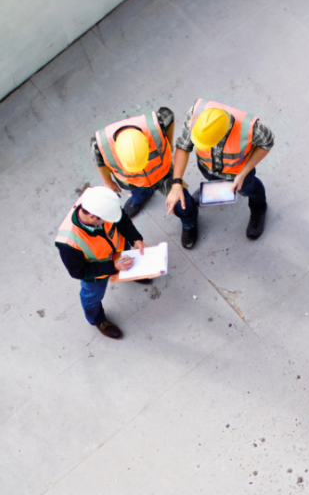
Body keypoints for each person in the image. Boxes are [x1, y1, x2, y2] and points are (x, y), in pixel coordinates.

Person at [165, 98, 274, 241]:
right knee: (214, 182)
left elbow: (267, 142)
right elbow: (183, 147)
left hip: (238, 174)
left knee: (250, 189)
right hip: (207, 167)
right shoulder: (195, 115)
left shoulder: (250, 127)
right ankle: (215, 190)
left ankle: (259, 210)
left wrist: (244, 173)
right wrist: (177, 183)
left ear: (223, 134)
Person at [92, 107, 199, 248]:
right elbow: (100, 161)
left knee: (182, 203)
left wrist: (169, 141)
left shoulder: (157, 123)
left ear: (146, 142)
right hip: (133, 181)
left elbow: (169, 116)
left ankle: (189, 222)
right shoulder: (100, 144)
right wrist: (108, 182)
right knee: (138, 191)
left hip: (163, 173)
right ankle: (141, 196)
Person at [55, 186, 148, 339]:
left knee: (129, 264)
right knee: (92, 297)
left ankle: (131, 273)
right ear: (92, 217)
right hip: (96, 273)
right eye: (107, 220)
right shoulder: (68, 242)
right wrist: (113, 267)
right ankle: (97, 320)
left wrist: (135, 239)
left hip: (120, 249)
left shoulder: (102, 204)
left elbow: (122, 220)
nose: (110, 220)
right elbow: (78, 271)